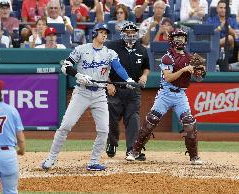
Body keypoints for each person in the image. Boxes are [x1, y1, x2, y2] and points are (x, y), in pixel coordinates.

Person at [41, 23, 135, 171]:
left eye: (106, 33)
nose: (104, 35)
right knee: (66, 125)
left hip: (99, 93)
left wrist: (128, 80)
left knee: (104, 130)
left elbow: (118, 67)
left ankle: (93, 161)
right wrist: (78, 75)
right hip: (82, 92)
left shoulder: (109, 53)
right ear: (94, 33)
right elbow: (65, 66)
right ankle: (51, 158)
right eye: (101, 32)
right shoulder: (81, 49)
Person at [125, 29, 204, 165]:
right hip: (165, 93)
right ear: (172, 40)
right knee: (150, 122)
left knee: (190, 123)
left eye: (183, 38)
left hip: (180, 95)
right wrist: (184, 70)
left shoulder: (190, 57)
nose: (181, 40)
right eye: (178, 37)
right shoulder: (167, 57)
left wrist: (199, 72)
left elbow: (199, 79)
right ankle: (135, 151)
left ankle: (194, 156)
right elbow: (168, 78)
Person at [105, 22, 150, 160]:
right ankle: (112, 143)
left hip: (133, 90)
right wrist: (108, 83)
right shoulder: (112, 46)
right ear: (122, 32)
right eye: (127, 32)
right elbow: (103, 66)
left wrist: (144, 75)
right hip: (115, 88)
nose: (130, 35)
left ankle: (132, 149)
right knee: (111, 118)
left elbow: (146, 67)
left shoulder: (142, 49)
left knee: (133, 119)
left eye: (133, 32)